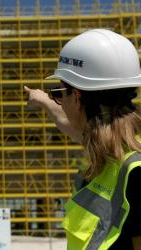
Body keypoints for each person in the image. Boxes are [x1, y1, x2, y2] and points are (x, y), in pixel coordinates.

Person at [25, 29, 141, 249]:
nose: (57, 101)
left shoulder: (135, 173)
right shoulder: (110, 146)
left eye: (58, 92)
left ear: (76, 96)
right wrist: (41, 98)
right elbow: (66, 121)